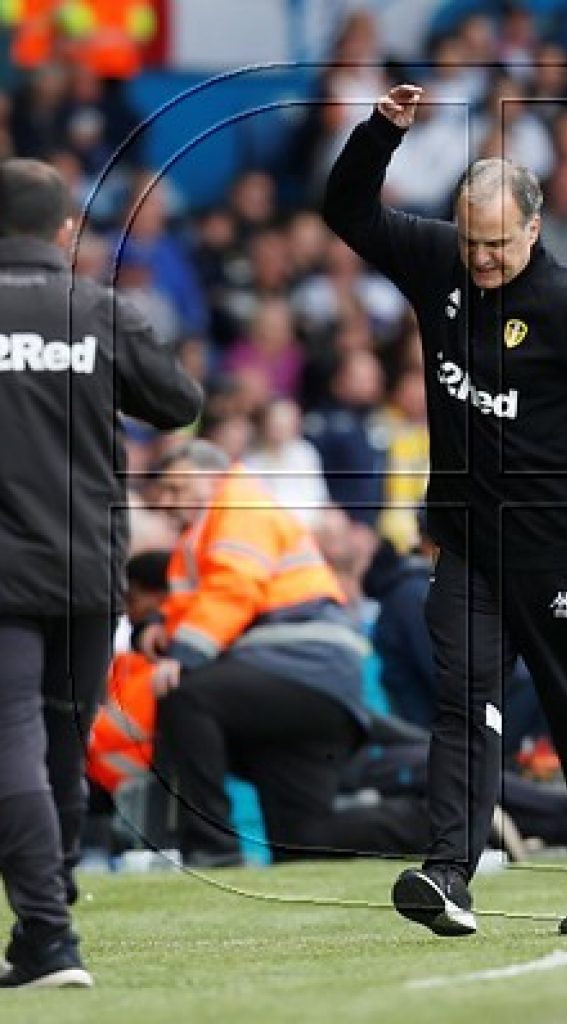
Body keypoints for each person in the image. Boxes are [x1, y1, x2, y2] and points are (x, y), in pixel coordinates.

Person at [322, 84, 567, 937]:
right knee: (463, 700)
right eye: (472, 240)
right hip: (469, 543)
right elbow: (344, 207)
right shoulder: (439, 264)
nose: (484, 258)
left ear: (533, 230)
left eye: (498, 243)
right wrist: (381, 134)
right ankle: (449, 874)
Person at [0, 158, 203, 988]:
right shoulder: (99, 310)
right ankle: (53, 905)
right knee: (58, 738)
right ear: (63, 231)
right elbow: (180, 402)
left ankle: (48, 934)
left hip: (5, 574)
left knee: (11, 737)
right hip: (89, 571)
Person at [140, 440, 371, 867]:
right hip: (315, 676)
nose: (170, 503)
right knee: (305, 839)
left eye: (177, 488)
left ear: (212, 475)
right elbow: (207, 599)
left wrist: (182, 653)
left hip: (297, 661)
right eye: (164, 494)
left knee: (185, 697)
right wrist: (160, 630)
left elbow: (233, 590)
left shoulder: (238, 506)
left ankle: (213, 848)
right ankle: (441, 824)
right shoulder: (219, 522)